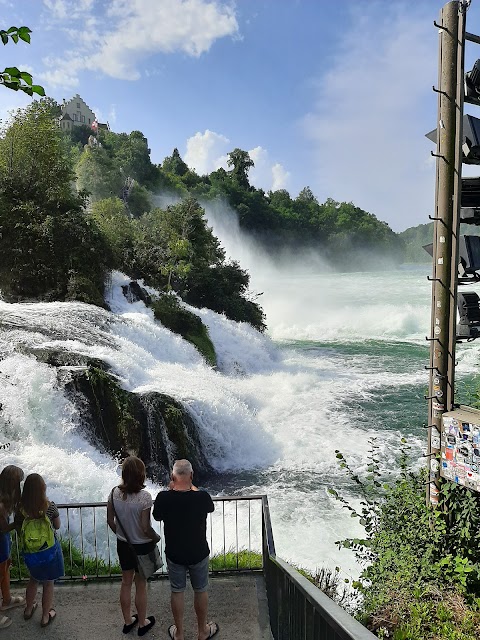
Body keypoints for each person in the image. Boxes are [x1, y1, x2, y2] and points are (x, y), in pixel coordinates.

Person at [153, 459, 218, 640]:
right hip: (198, 552)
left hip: (175, 553)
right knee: (201, 590)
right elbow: (210, 508)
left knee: (177, 591)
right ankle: (202, 631)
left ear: (173, 476)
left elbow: (157, 515)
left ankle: (179, 633)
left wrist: (171, 489)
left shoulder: (163, 497)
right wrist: (192, 486)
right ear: (191, 475)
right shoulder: (202, 497)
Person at [107, 456, 159, 636]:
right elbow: (145, 528)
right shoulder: (145, 497)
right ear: (141, 475)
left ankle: (128, 621)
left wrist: (121, 535)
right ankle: (143, 623)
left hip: (124, 545)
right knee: (141, 584)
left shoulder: (114, 493)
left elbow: (110, 520)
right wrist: (156, 537)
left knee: (126, 583)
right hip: (142, 547)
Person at [18, 473, 64, 627]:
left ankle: (29, 609)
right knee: (48, 583)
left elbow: (19, 529)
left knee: (33, 579)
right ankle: (45, 617)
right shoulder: (49, 506)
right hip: (49, 551)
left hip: (31, 553)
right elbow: (57, 526)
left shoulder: (21, 508)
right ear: (42, 488)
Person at [0, 465, 25, 629]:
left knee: (6, 567)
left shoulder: (6, 498)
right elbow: (2, 528)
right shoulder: (0, 504)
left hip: (3, 539)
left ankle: (7, 600)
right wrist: (17, 524)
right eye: (18, 482)